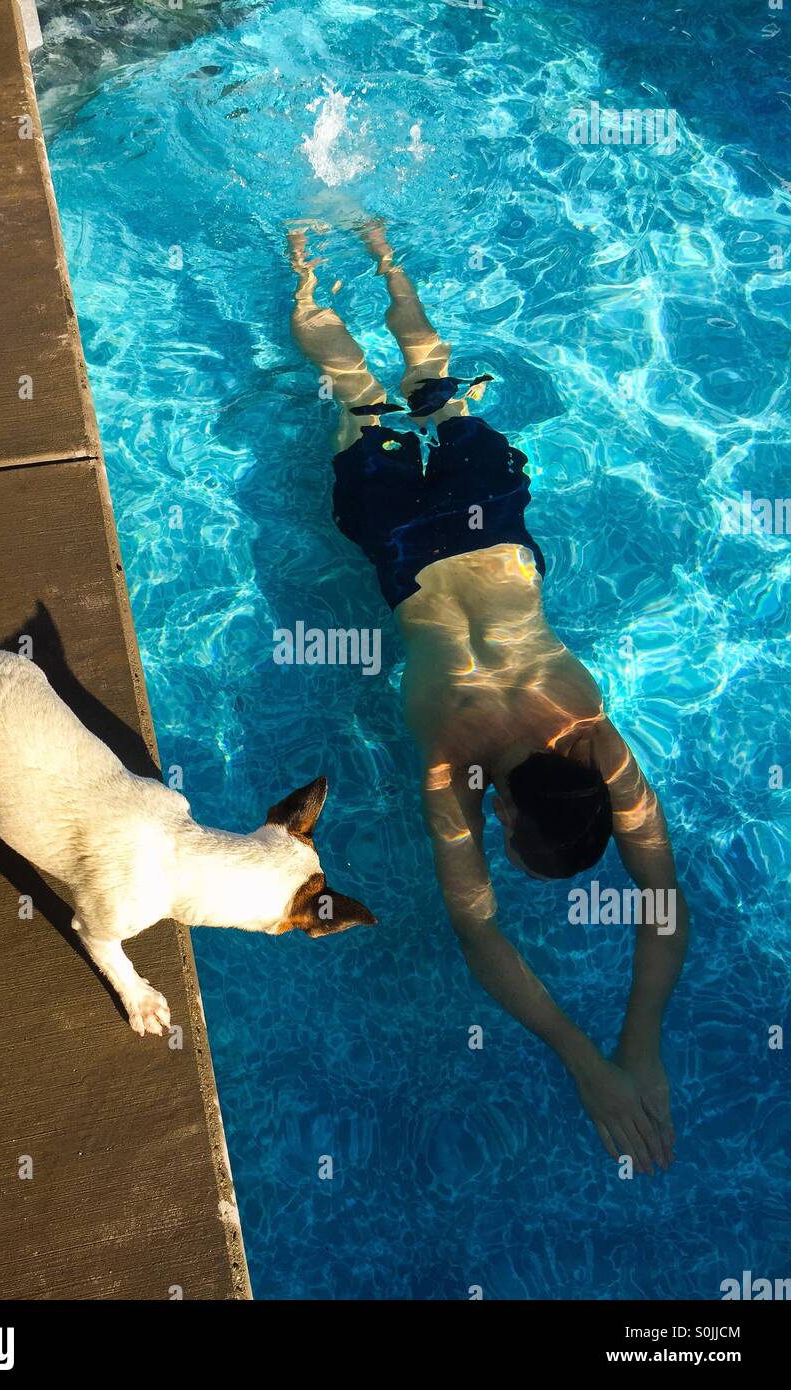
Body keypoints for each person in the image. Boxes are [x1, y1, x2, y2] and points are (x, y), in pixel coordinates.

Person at [288, 219, 689, 1177]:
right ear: (505, 810)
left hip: (489, 527)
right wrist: (591, 1061)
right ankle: (302, 273)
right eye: (510, 837)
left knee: (438, 386)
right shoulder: (448, 766)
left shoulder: (594, 738)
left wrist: (639, 1046)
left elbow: (662, 891)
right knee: (361, 396)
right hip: (401, 551)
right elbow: (479, 932)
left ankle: (384, 247)